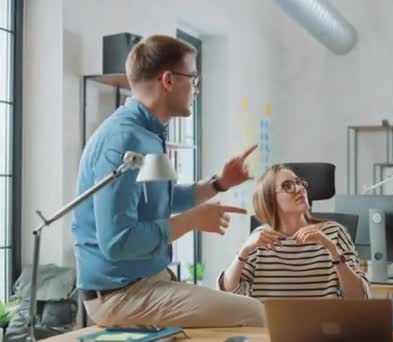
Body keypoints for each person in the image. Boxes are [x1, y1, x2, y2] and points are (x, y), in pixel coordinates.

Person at [71, 35, 266, 328]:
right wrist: (192, 221)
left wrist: (219, 183)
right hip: (119, 295)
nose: (196, 88)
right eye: (193, 78)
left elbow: (160, 200)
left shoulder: (148, 132)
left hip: (145, 283)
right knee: (257, 314)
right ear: (168, 81)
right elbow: (116, 242)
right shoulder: (123, 139)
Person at [217, 165, 368, 300]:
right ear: (271, 200)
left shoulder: (335, 233)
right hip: (269, 330)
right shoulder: (260, 239)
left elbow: (359, 297)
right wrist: (244, 250)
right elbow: (229, 293)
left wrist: (332, 250)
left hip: (324, 328)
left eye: (299, 182)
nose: (299, 188)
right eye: (287, 186)